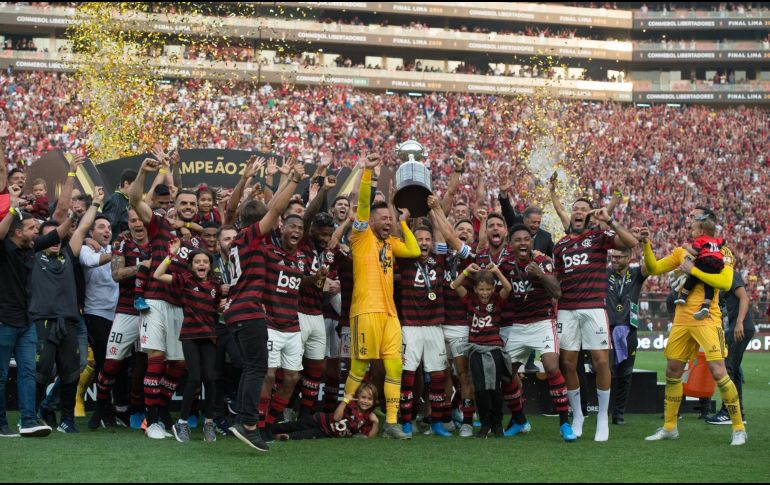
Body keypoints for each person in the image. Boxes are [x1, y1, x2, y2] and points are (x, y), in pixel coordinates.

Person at [642, 207, 747, 446]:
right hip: (682, 319)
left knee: (719, 372)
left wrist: (694, 270)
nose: (688, 219)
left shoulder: (723, 251)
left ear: (704, 221)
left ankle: (739, 428)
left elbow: (726, 281)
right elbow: (654, 268)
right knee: (672, 371)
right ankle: (670, 427)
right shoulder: (682, 251)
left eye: (693, 216)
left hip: (708, 317)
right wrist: (646, 244)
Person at [224, 157, 305, 452]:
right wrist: (294, 181)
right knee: (258, 368)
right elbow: (276, 210)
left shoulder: (236, 241)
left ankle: (245, 422)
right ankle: (248, 424)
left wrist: (250, 182)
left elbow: (234, 210)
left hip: (235, 310)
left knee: (252, 368)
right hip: (249, 310)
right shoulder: (252, 237)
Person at [343, 153, 420, 440]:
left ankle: (391, 422)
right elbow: (363, 205)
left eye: (390, 218)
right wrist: (367, 173)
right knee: (359, 366)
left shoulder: (391, 243)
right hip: (365, 310)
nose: (388, 222)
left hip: (390, 315)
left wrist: (404, 224)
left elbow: (412, 251)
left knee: (395, 365)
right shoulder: (361, 237)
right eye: (384, 218)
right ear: (372, 221)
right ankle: (344, 411)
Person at [128, 156, 202, 439]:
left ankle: (159, 412)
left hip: (181, 306)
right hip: (156, 301)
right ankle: (152, 421)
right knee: (155, 359)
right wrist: (143, 173)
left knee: (179, 364)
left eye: (192, 205)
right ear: (175, 204)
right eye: (183, 203)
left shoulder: (196, 241)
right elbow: (135, 200)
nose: (187, 207)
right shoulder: (158, 224)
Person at [552, 199, 638, 442]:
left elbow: (631, 243)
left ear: (589, 215)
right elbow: (557, 280)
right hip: (567, 310)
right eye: (575, 208)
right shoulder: (561, 246)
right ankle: (577, 415)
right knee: (567, 364)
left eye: (582, 208)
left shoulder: (600, 236)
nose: (578, 211)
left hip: (594, 309)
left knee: (601, 362)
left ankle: (602, 418)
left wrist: (609, 220)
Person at [30, 188, 103, 434]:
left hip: (69, 322)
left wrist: (95, 204)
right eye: (48, 237)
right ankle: (33, 415)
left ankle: (67, 420)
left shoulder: (68, 254)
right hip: (42, 321)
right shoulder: (32, 256)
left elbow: (81, 229)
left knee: (71, 372)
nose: (53, 241)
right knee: (41, 372)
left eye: (56, 237)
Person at [0, 198, 73, 437]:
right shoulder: (4, 246)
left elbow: (56, 235)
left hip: (26, 322)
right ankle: (1, 424)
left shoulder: (29, 246)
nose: (36, 232)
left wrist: (72, 216)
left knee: (28, 372)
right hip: (3, 321)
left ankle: (29, 420)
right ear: (18, 231)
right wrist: (12, 209)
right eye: (32, 228)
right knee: (0, 376)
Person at [505, 224, 575, 441]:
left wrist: (540, 275)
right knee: (506, 375)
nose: (523, 243)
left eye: (527, 239)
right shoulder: (505, 265)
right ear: (511, 245)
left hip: (542, 322)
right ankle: (519, 419)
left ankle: (565, 423)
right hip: (517, 325)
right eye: (518, 240)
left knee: (552, 367)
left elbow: (557, 291)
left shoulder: (542, 262)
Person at [154, 240, 221, 443]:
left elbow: (217, 308)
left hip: (209, 337)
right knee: (194, 378)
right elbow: (157, 275)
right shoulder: (184, 279)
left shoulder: (215, 286)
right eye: (197, 261)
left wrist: (223, 306)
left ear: (210, 265)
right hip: (190, 336)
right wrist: (170, 255)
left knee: (210, 379)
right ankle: (182, 423)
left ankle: (209, 423)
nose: (201, 264)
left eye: (205, 261)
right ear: (191, 265)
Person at [89, 208, 151, 429]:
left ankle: (146, 411)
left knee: (149, 362)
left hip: (154, 309)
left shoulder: (160, 241)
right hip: (127, 309)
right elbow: (117, 275)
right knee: (112, 362)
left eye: (141, 219)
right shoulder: (121, 243)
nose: (138, 223)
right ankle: (100, 406)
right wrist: (141, 267)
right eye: (133, 220)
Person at [394, 216, 451, 438]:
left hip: (435, 325)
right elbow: (402, 238)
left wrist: (435, 211)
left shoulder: (439, 260)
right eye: (420, 239)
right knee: (407, 375)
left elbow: (440, 233)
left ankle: (436, 423)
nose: (424, 243)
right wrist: (403, 222)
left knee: (438, 375)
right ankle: (407, 422)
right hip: (410, 326)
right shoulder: (406, 261)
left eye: (427, 239)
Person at [450, 263, 512, 438]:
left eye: (488, 289)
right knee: (480, 389)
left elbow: (508, 287)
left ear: (493, 289)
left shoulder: (497, 300)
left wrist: (497, 272)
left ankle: (497, 424)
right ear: (475, 289)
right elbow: (454, 285)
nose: (484, 293)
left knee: (495, 389)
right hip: (476, 351)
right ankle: (485, 424)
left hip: (494, 350)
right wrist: (467, 271)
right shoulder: (470, 300)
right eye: (481, 289)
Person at [705, 269, 754, 425]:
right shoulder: (719, 278)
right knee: (735, 370)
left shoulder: (730, 274)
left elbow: (744, 298)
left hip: (739, 327)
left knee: (728, 368)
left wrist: (739, 322)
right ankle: (738, 411)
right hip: (733, 327)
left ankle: (727, 412)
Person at [606, 246, 648, 426]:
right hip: (606, 330)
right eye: (612, 256)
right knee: (604, 372)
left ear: (629, 257)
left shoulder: (637, 274)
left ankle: (619, 413)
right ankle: (600, 410)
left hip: (629, 330)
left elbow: (650, 266)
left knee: (625, 374)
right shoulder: (604, 272)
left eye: (619, 257)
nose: (614, 260)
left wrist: (645, 242)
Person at [80, 214, 119, 390]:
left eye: (109, 228)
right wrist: (117, 253)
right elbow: (91, 262)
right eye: (102, 227)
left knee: (118, 362)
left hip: (118, 315)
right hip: (96, 313)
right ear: (91, 232)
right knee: (103, 361)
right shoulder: (85, 249)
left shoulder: (114, 249)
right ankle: (103, 409)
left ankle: (117, 408)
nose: (107, 231)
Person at [273, 381, 379, 440]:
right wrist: (345, 401)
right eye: (363, 397)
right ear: (357, 397)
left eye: (369, 399)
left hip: (327, 432)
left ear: (374, 401)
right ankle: (270, 429)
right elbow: (337, 417)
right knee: (295, 425)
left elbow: (369, 437)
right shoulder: (351, 405)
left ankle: (285, 437)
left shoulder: (368, 417)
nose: (365, 401)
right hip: (320, 420)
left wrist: (376, 423)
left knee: (306, 435)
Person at [675, 218, 724, 320]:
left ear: (701, 232)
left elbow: (695, 252)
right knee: (709, 285)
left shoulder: (699, 240)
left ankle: (683, 296)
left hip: (705, 261)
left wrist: (686, 247)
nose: (692, 232)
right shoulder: (716, 240)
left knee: (692, 277)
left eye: (693, 230)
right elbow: (722, 242)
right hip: (717, 265)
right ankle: (706, 306)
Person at [102, 168, 137, 241]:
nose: (139, 189)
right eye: (136, 185)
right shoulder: (116, 200)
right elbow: (108, 227)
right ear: (126, 183)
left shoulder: (127, 200)